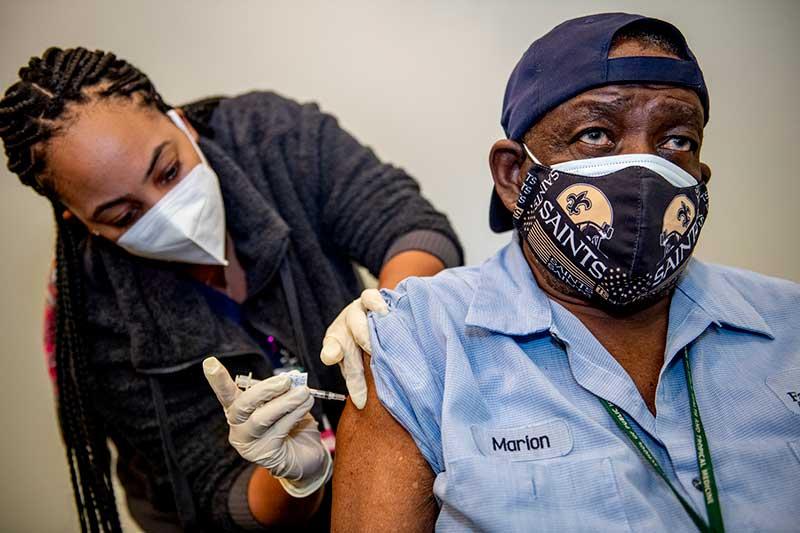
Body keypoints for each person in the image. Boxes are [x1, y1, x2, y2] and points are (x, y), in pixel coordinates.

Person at [332, 13, 800, 532]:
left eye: (677, 141)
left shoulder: (790, 326)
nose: (642, 167)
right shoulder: (422, 346)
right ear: (513, 175)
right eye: (596, 133)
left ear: (700, 173)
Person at [0, 47, 462, 531]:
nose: (167, 210)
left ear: (182, 124)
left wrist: (388, 316)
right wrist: (291, 479)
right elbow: (222, 498)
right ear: (81, 222)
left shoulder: (271, 138)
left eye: (169, 171)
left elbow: (412, 230)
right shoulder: (98, 324)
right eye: (124, 215)